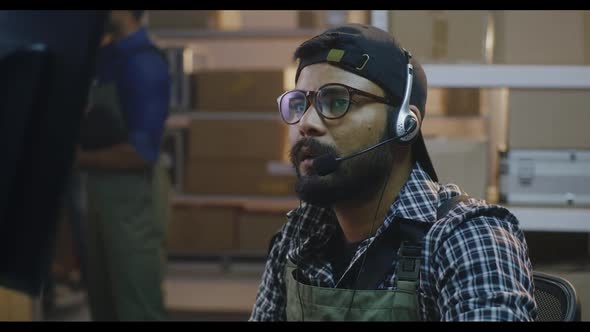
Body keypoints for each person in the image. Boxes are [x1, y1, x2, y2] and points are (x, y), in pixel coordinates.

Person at [250, 24, 537, 321]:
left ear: (404, 125)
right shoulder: (299, 237)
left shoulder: (467, 238)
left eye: (336, 101)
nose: (306, 123)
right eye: (299, 104)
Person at [77, 10, 171, 321]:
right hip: (100, 203)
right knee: (104, 307)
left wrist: (74, 158)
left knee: (137, 307)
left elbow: (140, 153)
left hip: (134, 210)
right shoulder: (106, 58)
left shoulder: (143, 63)